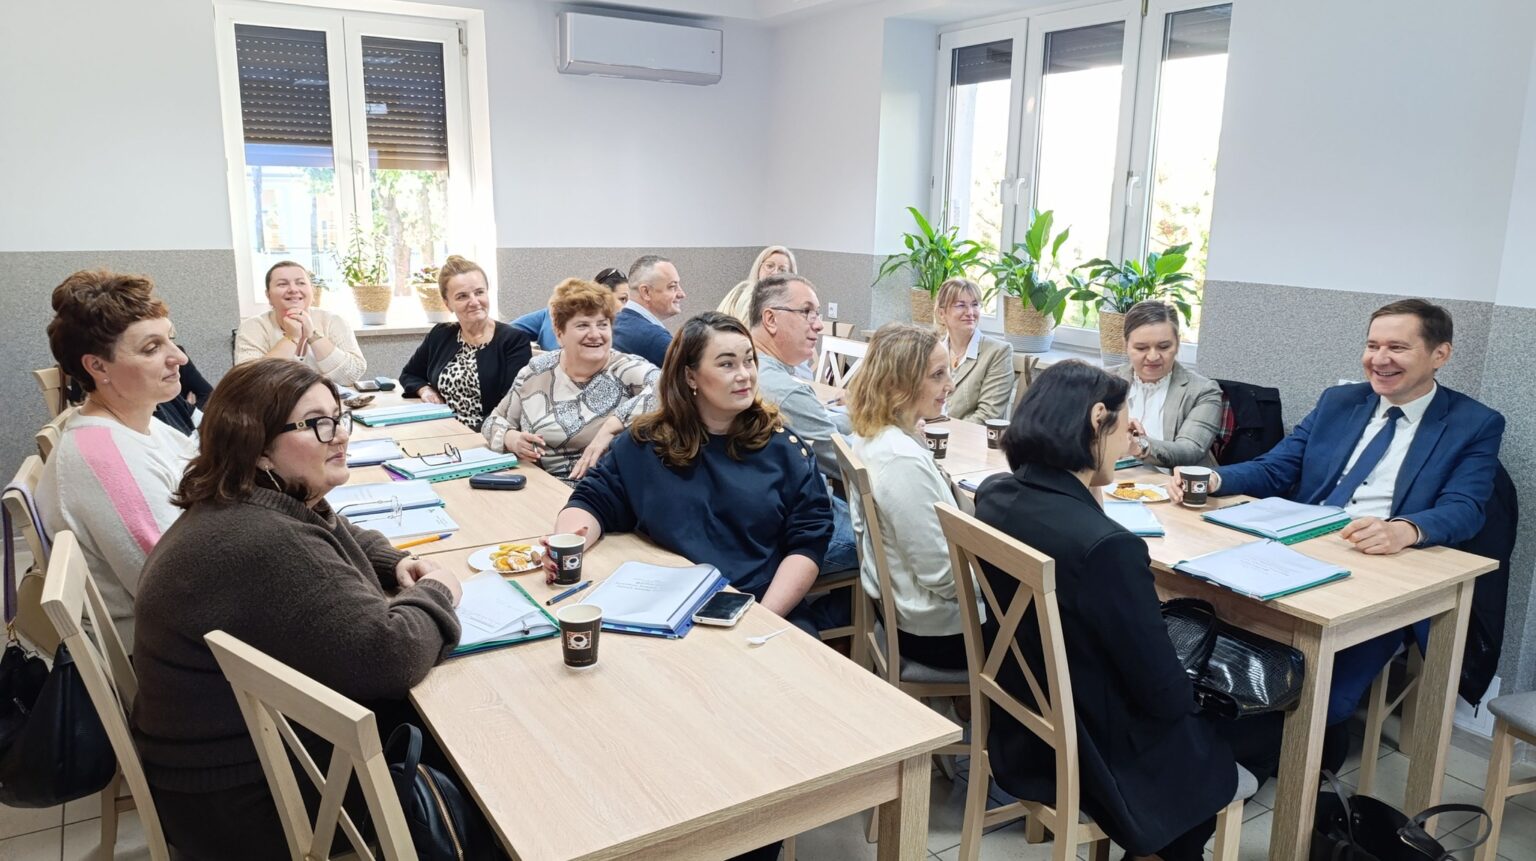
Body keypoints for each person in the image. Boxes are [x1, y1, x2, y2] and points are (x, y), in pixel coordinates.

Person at [131, 359, 463, 861]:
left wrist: (395, 562)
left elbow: (329, 528)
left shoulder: (246, 499)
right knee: (472, 744)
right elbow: (390, 655)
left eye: (339, 417)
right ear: (258, 446)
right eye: (316, 424)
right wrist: (437, 590)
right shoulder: (263, 543)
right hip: (251, 804)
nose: (339, 435)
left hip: (218, 775)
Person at [1167, 298, 1506, 756]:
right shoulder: (1339, 401)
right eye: (1372, 345)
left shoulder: (1474, 423)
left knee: (1324, 692)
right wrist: (1215, 479)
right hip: (1294, 548)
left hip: (1377, 568)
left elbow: (1466, 508)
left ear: (1439, 354)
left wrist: (1405, 529)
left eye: (1397, 347)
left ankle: (1281, 754)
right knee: (1205, 619)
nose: (1379, 359)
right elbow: (1276, 468)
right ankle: (1222, 732)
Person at [975, 360, 1274, 861]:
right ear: (1098, 419)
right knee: (1264, 724)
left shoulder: (994, 495)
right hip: (1093, 753)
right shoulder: (1108, 547)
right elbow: (1164, 696)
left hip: (1022, 724)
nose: (1128, 441)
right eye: (1124, 428)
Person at [549, 312, 832, 622]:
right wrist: (566, 546)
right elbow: (593, 500)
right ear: (690, 376)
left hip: (756, 604)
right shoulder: (645, 444)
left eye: (749, 361)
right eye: (727, 364)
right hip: (662, 604)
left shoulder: (785, 450)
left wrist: (763, 617)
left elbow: (808, 542)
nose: (744, 375)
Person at [36, 269, 197, 650]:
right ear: (98, 367)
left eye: (171, 339)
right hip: (168, 656)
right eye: (152, 348)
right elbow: (182, 594)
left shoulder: (145, 425)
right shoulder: (105, 460)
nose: (179, 357)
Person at [846, 323, 973, 670]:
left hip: (910, 609)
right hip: (936, 630)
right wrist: (1000, 582)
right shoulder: (900, 460)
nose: (950, 385)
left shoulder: (873, 434)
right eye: (937, 375)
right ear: (898, 384)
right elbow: (941, 575)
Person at [483, 278, 659, 483]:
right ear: (559, 333)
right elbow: (492, 422)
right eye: (583, 325)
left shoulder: (625, 368)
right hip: (534, 484)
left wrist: (613, 425)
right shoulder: (536, 370)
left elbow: (670, 387)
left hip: (597, 490)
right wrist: (510, 438)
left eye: (603, 324)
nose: (595, 334)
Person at [748, 273, 858, 574]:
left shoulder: (755, 368)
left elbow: (820, 419)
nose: (818, 324)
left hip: (765, 522)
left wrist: (864, 418)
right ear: (770, 319)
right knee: (888, 540)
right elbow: (847, 460)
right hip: (787, 535)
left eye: (817, 313)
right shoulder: (783, 391)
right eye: (807, 312)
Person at [399, 254, 533, 428]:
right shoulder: (440, 334)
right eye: (462, 296)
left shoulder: (514, 340)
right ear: (447, 304)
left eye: (479, 292)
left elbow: (510, 406)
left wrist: (463, 434)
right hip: (440, 429)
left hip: (487, 433)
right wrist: (425, 390)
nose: (474, 302)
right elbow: (409, 374)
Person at [1112, 300, 1223, 468]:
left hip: (1173, 481)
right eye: (1141, 348)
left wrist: (1139, 445)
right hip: (1113, 479)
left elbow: (1190, 450)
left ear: (1177, 344)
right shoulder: (1103, 381)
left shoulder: (1202, 391)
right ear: (1126, 345)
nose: (1153, 357)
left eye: (1163, 347)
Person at [234, 260, 367, 385]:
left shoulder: (333, 320)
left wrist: (313, 335)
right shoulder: (252, 327)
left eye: (301, 283)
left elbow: (352, 374)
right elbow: (248, 382)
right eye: (282, 284)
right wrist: (291, 337)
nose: (293, 289)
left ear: (312, 291)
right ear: (268, 295)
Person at [936, 277, 1014, 422]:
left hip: (966, 434)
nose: (970, 312)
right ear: (942, 314)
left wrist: (945, 432)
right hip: (928, 431)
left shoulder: (998, 352)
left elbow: (987, 415)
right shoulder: (932, 351)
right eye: (961, 305)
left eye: (975, 304)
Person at [513, 266, 630, 351]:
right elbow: (510, 332)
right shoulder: (551, 314)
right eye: (623, 299)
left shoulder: (627, 329)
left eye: (602, 325)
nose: (594, 335)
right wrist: (535, 355)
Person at [611, 254, 683, 366]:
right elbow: (694, 374)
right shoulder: (655, 339)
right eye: (672, 287)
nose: (682, 294)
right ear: (646, 292)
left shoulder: (614, 325)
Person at [717, 245, 797, 324]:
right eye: (769, 266)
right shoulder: (739, 292)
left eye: (782, 270)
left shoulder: (794, 306)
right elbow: (717, 323)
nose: (775, 273)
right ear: (759, 267)